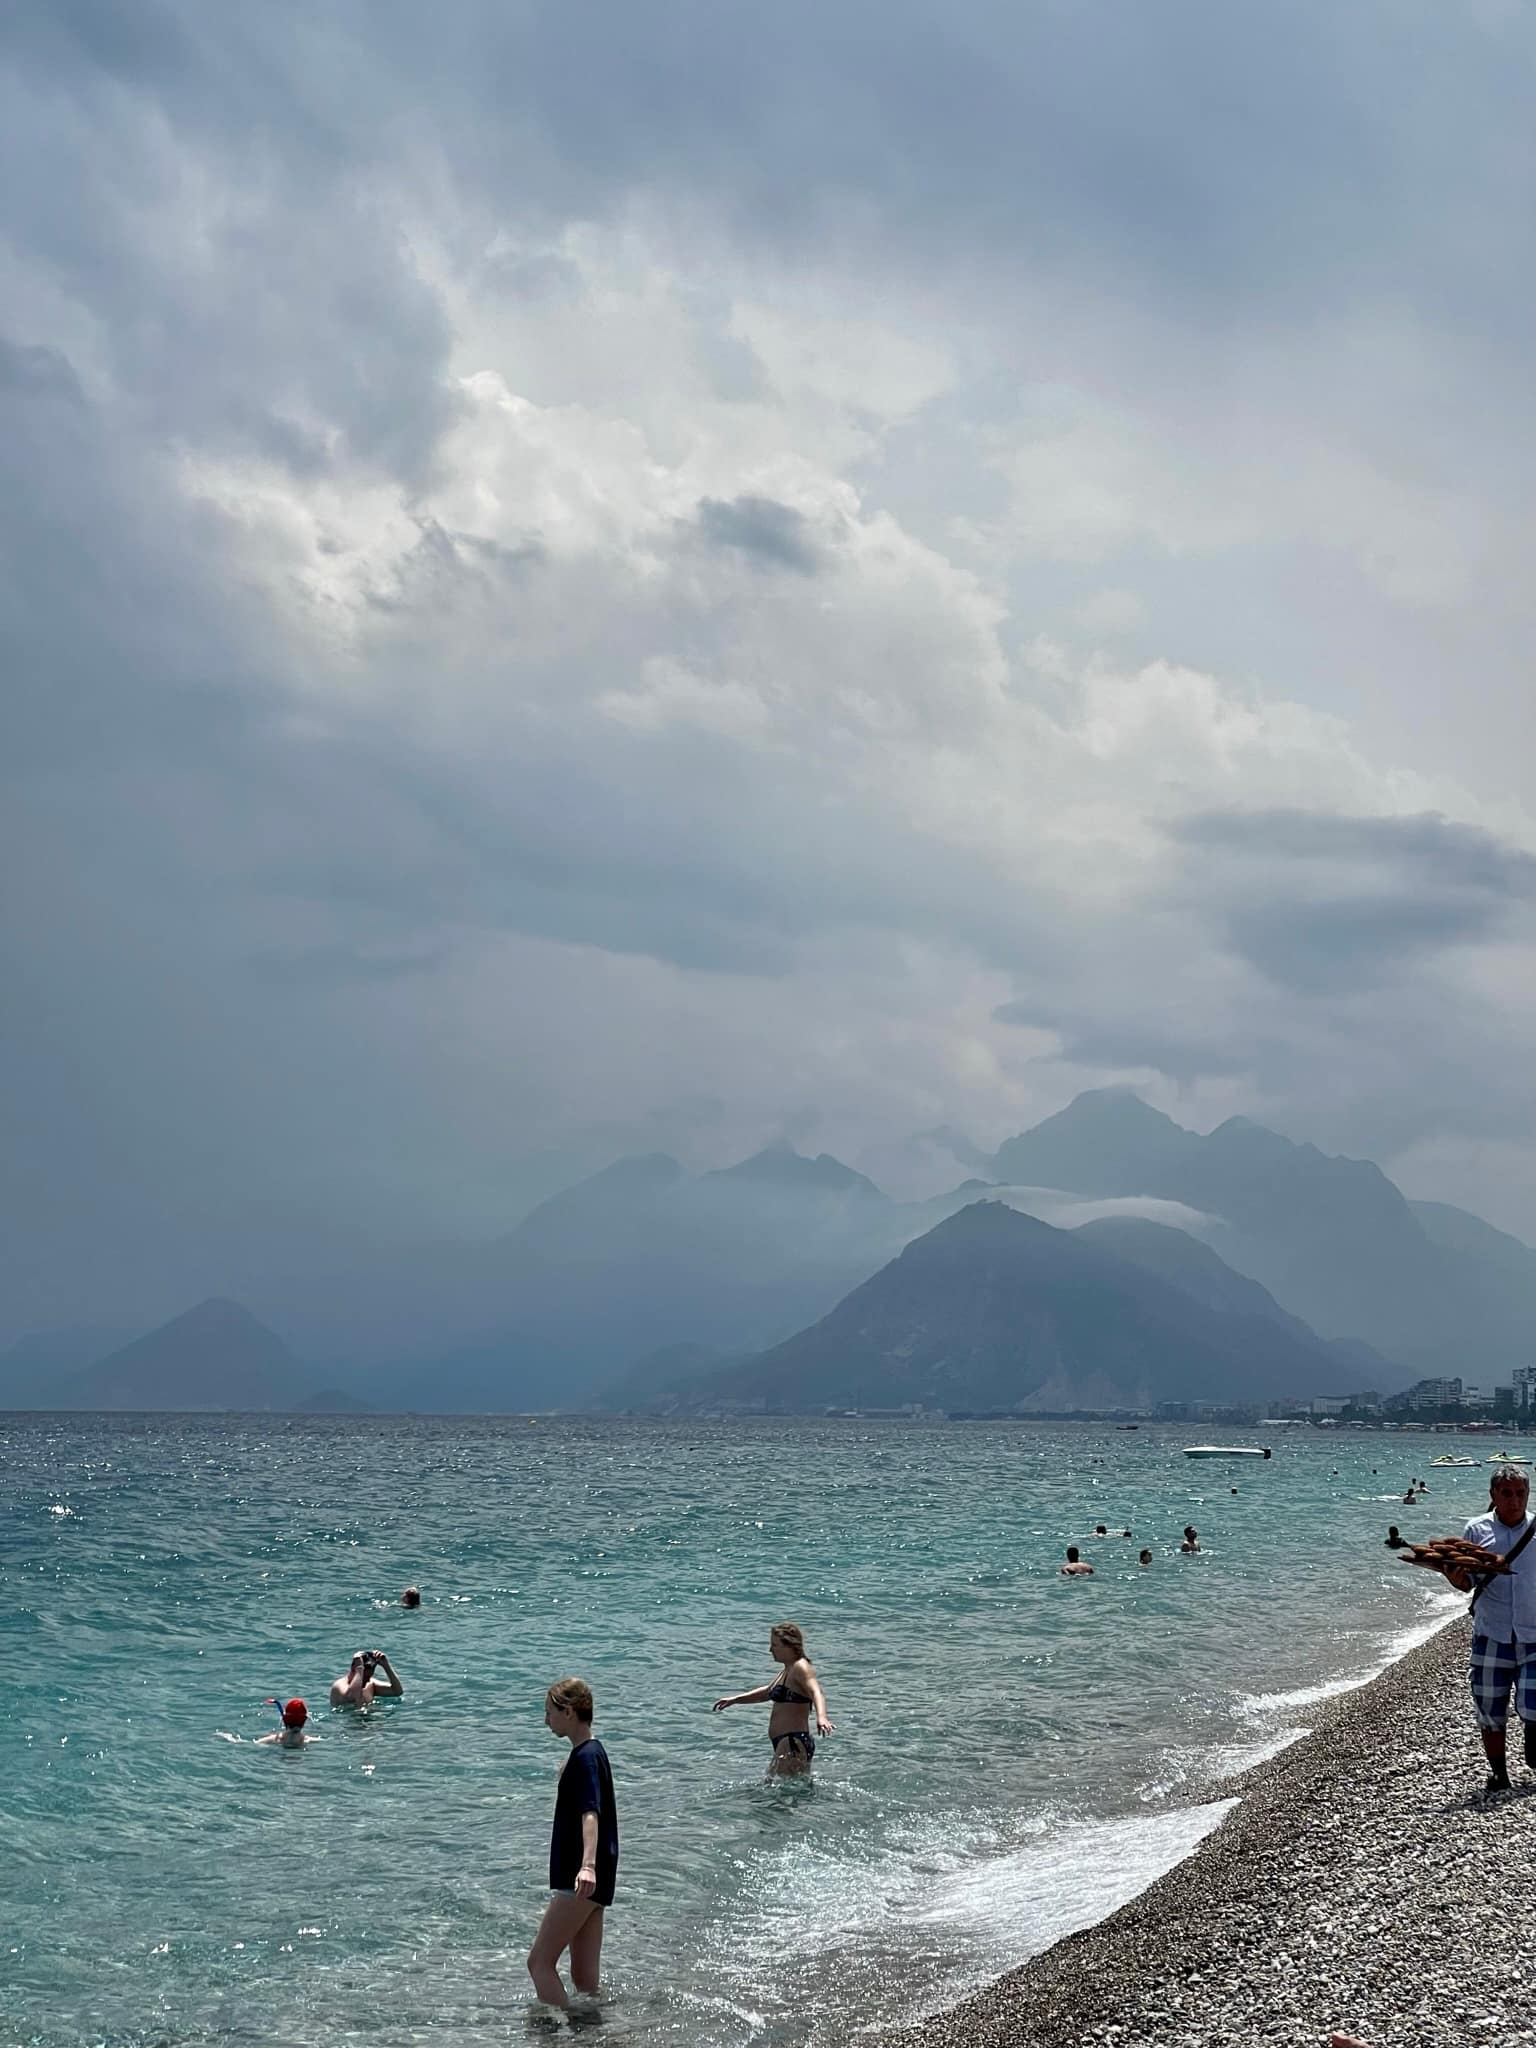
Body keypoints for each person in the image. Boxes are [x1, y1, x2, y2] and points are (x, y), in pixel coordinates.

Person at [1439, 1468, 1536, 1797]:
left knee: (1534, 1703)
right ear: (1493, 1495)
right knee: (1490, 1709)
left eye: (1520, 1493)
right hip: (1492, 1633)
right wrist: (1456, 1580)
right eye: (1507, 1493)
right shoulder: (1476, 1530)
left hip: (1533, 1634)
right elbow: (1468, 1582)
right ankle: (1499, 1775)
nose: (1515, 1500)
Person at [527, 1677, 618, 2009]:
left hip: (579, 1877)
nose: (545, 1720)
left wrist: (587, 1866)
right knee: (584, 1978)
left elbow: (590, 1813)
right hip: (597, 1880)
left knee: (538, 1963)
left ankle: (557, 2036)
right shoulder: (591, 1753)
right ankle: (593, 2036)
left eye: (549, 1712)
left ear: (568, 1712)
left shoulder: (586, 1758)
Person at [712, 1621, 834, 1774]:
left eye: (774, 1645)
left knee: (786, 1793)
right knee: (778, 1789)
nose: (770, 1650)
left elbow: (816, 1692)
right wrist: (735, 1700)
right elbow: (767, 1692)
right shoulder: (786, 1669)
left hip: (792, 1742)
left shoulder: (800, 1667)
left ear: (789, 1645)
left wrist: (822, 1717)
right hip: (784, 1742)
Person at [329, 1648, 404, 1708]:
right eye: (365, 1677)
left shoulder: (370, 1683)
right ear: (353, 1669)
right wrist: (359, 1668)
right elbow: (352, 1697)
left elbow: (397, 1691)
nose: (368, 1680)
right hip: (348, 1725)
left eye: (370, 1676)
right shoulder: (339, 1685)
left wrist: (386, 1665)